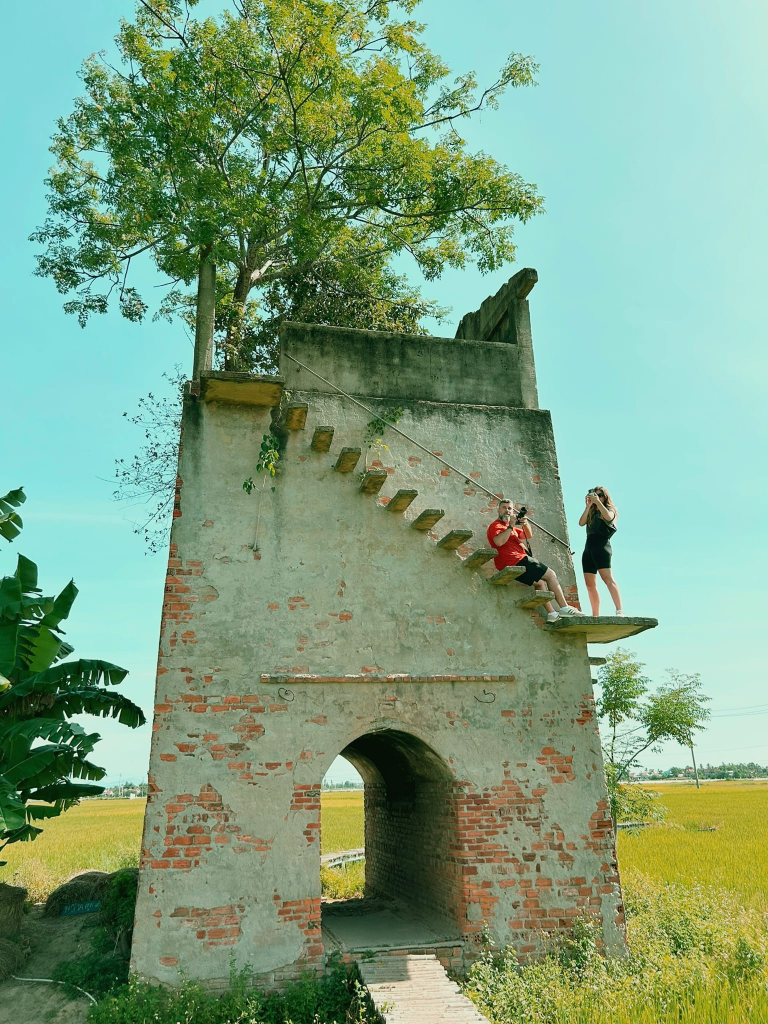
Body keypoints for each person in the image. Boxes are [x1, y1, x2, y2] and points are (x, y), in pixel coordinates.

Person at [486, 499, 584, 623]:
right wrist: (511, 525)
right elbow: (499, 542)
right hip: (517, 560)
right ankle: (564, 607)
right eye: (504, 508)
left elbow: (528, 535)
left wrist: (525, 523)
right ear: (498, 510)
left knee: (539, 583)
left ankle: (552, 613)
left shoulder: (511, 528)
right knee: (551, 575)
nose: (507, 510)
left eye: (510, 508)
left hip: (514, 561)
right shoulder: (496, 526)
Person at [578, 485, 623, 616]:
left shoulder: (610, 509)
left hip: (602, 547)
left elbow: (609, 517)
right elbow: (581, 523)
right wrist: (588, 506)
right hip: (588, 548)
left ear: (605, 497)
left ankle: (619, 610)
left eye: (600, 495)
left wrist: (598, 502)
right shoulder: (592, 511)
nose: (597, 497)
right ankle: (595, 614)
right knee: (589, 584)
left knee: (608, 579)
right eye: (595, 495)